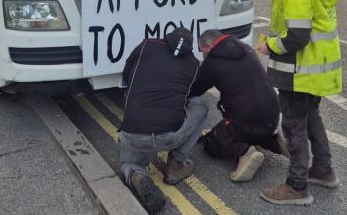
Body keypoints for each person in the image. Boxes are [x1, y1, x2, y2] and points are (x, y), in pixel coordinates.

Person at [257, 0, 343, 206]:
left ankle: (296, 187)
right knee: (312, 118)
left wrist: (269, 46)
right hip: (316, 69)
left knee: (293, 126)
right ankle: (323, 170)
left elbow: (296, 37)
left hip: (299, 71)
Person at [118, 27, 207, 213]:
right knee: (200, 105)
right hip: (170, 134)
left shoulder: (147, 45)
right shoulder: (193, 63)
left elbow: (127, 75)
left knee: (129, 163)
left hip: (134, 132)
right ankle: (177, 163)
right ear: (191, 46)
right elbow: (190, 94)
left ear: (168, 37)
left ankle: (136, 175)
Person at [190, 29, 288, 182]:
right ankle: (274, 142)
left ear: (209, 46)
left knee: (211, 143)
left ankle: (244, 152)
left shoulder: (213, 62)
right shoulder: (245, 48)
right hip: (273, 116)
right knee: (248, 127)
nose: (202, 55)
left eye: (201, 50)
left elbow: (195, 89)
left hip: (247, 122)